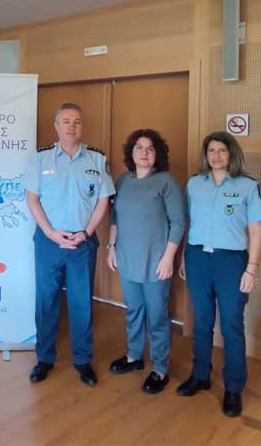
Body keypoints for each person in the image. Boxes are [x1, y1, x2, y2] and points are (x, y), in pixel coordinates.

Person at [23, 103, 114, 386]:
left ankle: (83, 360)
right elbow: (32, 199)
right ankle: (44, 358)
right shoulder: (41, 159)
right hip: (49, 242)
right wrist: (50, 232)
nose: (71, 126)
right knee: (46, 301)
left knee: (81, 302)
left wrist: (86, 232)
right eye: (65, 121)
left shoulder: (97, 159)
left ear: (81, 126)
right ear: (56, 126)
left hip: (82, 242)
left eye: (76, 121)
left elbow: (103, 201)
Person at [177, 131, 261, 417]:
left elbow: (256, 229)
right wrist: (184, 256)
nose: (216, 156)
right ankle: (200, 375)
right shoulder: (194, 184)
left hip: (231, 262)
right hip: (197, 258)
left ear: (232, 154)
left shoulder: (247, 186)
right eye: (211, 151)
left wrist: (252, 268)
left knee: (231, 324)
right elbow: (189, 221)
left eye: (222, 150)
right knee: (202, 320)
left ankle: (233, 388)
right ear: (206, 155)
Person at [106, 129, 186, 394]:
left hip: (156, 263)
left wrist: (169, 258)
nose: (144, 152)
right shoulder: (123, 181)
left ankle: (160, 368)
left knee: (157, 317)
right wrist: (111, 247)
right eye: (139, 147)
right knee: (133, 310)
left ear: (157, 154)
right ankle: (134, 356)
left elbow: (178, 222)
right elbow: (115, 217)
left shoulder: (166, 182)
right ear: (131, 152)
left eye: (150, 148)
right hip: (127, 259)